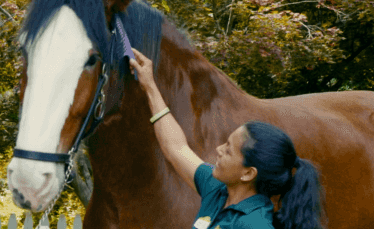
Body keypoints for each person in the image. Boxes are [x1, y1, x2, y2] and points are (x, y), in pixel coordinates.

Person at [128, 49, 325, 229]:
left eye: (229, 149)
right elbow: (176, 148)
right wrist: (150, 86)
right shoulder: (218, 189)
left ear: (248, 173)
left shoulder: (254, 225)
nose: (218, 149)